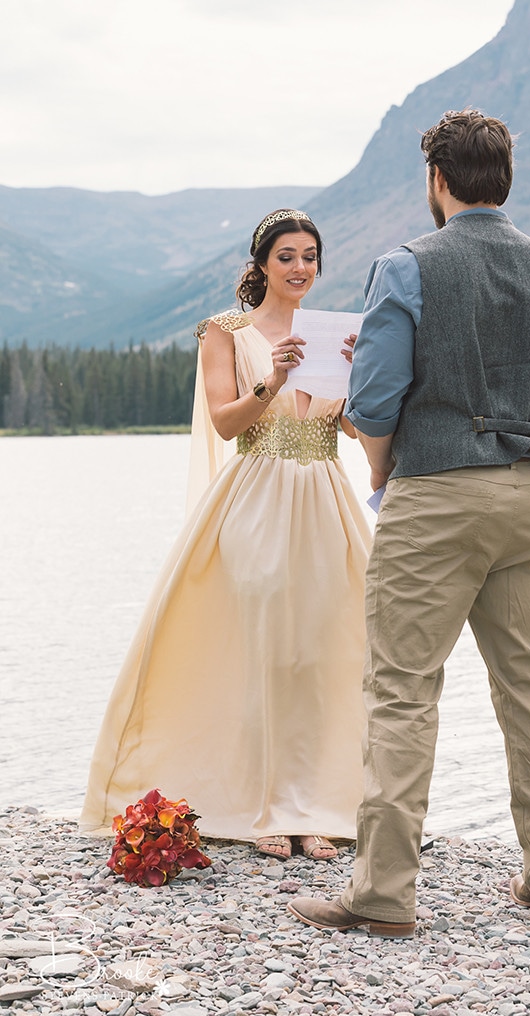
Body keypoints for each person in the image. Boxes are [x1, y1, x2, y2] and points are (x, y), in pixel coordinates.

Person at [287, 110, 530, 933]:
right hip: (528, 494)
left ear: (437, 180)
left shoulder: (406, 266)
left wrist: (384, 470)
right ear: (504, 179)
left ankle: (383, 895)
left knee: (401, 692)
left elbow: (376, 400)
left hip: (433, 497)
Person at [80, 209, 372, 862]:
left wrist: (358, 379)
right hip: (257, 499)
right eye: (288, 256)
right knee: (264, 649)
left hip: (326, 498)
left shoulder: (334, 334)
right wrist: (273, 379)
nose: (301, 268)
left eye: (310, 256)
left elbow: (352, 431)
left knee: (320, 652)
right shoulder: (227, 332)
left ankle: (316, 807)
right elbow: (224, 423)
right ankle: (263, 805)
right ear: (262, 264)